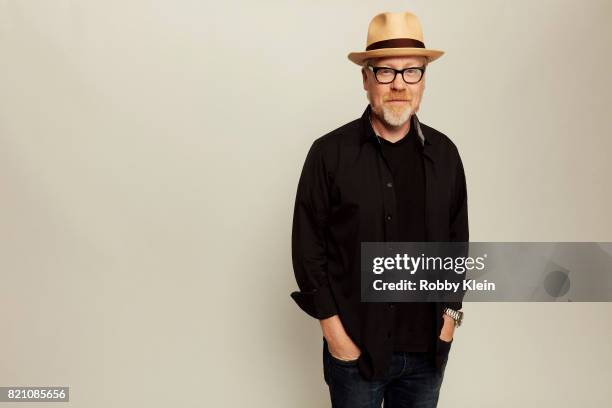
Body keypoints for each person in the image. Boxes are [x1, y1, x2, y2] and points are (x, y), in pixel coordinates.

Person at [290, 11, 468, 407]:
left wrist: (450, 321)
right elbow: (308, 251)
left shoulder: (446, 155)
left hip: (427, 355)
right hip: (355, 354)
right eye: (386, 72)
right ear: (366, 79)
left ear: (424, 80)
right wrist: (336, 336)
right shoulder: (329, 154)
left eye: (411, 72)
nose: (399, 85)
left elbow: (458, 247)